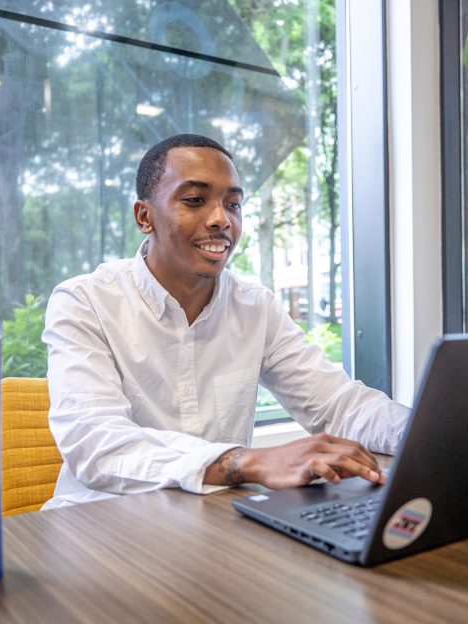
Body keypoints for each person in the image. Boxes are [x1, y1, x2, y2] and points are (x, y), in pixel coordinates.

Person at [41, 134, 410, 509]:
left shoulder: (256, 307)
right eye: (195, 200)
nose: (221, 219)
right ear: (144, 216)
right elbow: (97, 446)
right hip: (98, 526)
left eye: (233, 204)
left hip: (211, 524)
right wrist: (248, 461)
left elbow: (339, 406)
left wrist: (431, 435)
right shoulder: (84, 301)